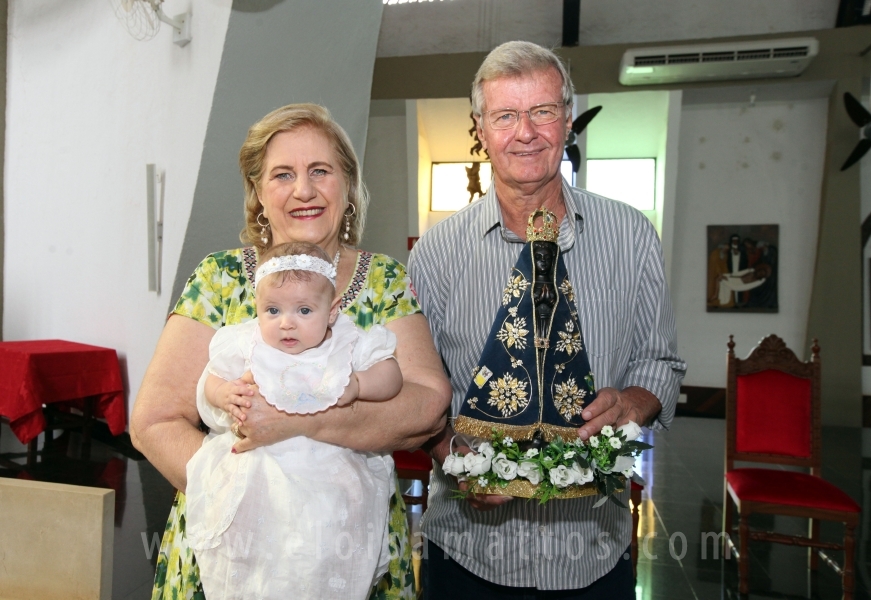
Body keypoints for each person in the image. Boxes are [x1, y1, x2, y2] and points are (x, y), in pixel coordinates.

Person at [130, 103, 452, 600]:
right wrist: (245, 503)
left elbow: (427, 405)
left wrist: (304, 428)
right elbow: (153, 421)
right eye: (283, 174)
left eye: (320, 171)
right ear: (258, 193)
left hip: (349, 535)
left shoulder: (385, 281)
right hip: (232, 543)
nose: (304, 189)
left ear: (348, 184)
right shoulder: (218, 279)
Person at [408, 41, 686, 598]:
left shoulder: (631, 236)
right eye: (506, 115)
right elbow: (420, 389)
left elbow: (662, 362)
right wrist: (452, 458)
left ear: (567, 119)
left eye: (542, 111)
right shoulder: (435, 254)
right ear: (481, 129)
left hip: (593, 554)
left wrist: (631, 402)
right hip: (469, 555)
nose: (526, 132)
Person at [186, 242, 403, 600]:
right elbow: (212, 377)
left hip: (327, 475)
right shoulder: (247, 341)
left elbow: (392, 374)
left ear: (332, 311)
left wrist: (361, 384)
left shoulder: (348, 343)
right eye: (272, 309)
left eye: (304, 310)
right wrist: (223, 394)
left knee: (321, 552)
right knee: (253, 557)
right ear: (257, 306)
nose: (286, 322)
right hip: (260, 475)